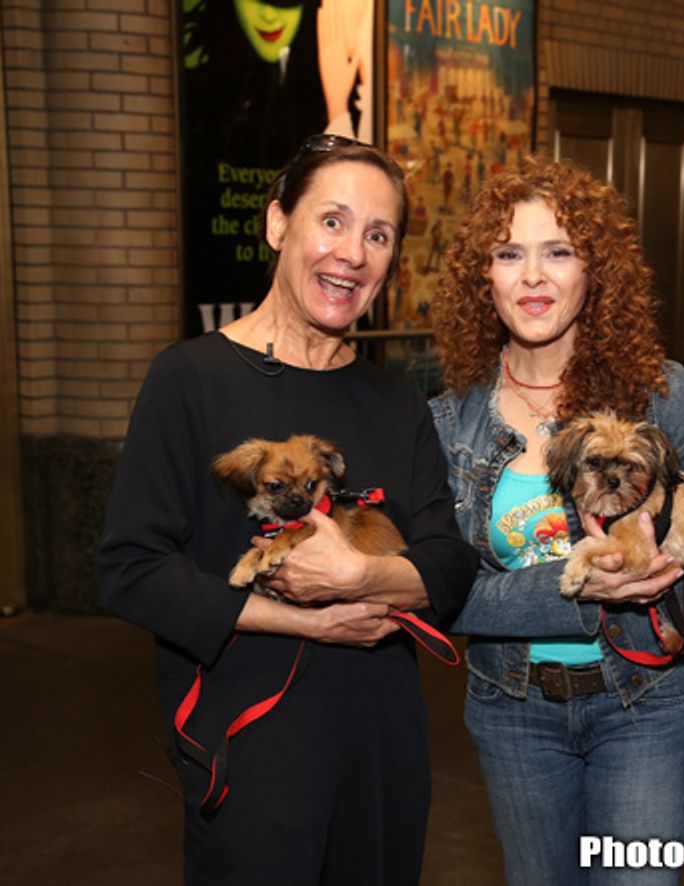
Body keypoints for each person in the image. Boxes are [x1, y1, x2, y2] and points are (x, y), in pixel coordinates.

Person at [96, 135, 477, 885]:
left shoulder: (395, 398)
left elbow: (450, 562)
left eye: (378, 235)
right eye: (331, 221)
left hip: (379, 744)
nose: (353, 254)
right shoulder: (188, 379)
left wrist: (362, 577)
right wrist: (309, 617)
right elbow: (130, 569)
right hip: (250, 741)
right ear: (277, 225)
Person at [429, 156, 684, 885]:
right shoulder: (450, 419)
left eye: (557, 251)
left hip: (646, 705)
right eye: (509, 254)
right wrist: (575, 589)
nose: (533, 276)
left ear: (595, 271)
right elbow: (441, 590)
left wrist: (675, 577)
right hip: (510, 709)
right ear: (482, 278)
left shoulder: (661, 395)